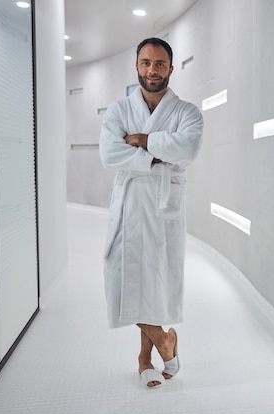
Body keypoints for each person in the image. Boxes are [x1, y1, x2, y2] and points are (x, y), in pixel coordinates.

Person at [99, 37, 204, 388]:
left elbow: (188, 149)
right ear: (137, 66)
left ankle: (144, 358)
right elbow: (110, 155)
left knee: (154, 283)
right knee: (124, 279)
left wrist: (142, 140)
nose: (152, 70)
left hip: (163, 208)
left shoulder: (187, 112)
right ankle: (164, 341)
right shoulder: (117, 110)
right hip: (129, 205)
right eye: (146, 63)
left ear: (171, 69)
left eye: (160, 64)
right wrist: (161, 150)